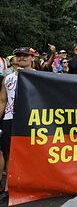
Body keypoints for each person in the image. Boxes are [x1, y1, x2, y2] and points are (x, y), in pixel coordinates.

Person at [0, 47, 36, 202]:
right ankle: (8, 188)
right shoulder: (7, 78)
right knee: (9, 154)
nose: (22, 58)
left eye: (26, 56)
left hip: (32, 119)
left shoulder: (40, 76)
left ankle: (34, 184)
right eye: (19, 56)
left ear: (33, 58)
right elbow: (2, 100)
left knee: (33, 153)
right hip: (10, 118)